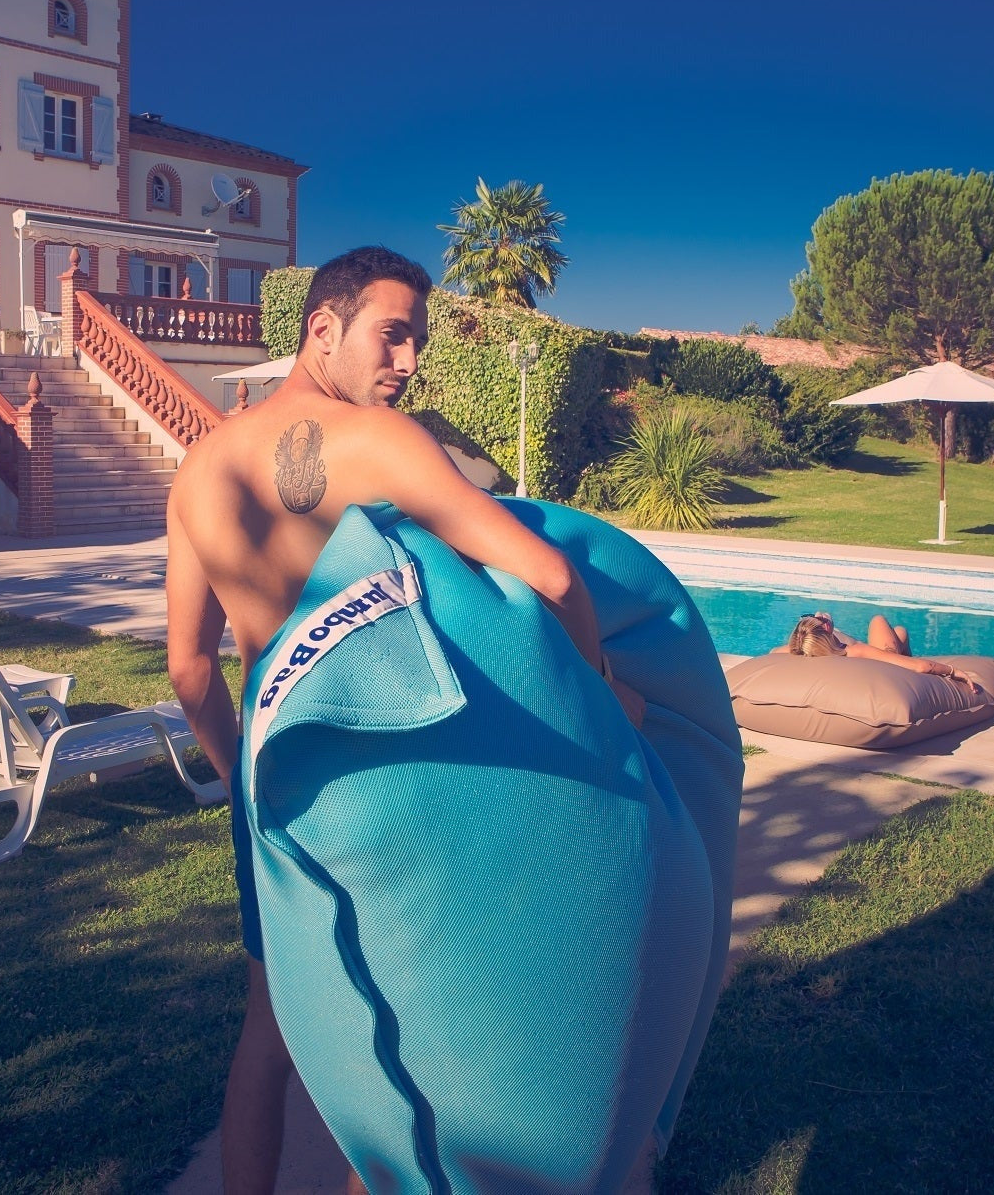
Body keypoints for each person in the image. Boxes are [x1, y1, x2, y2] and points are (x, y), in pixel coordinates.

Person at [166, 245, 642, 1195]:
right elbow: (548, 575)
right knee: (396, 1044)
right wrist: (599, 688)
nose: (408, 361)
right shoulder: (379, 444)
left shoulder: (200, 471)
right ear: (322, 329)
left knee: (271, 1036)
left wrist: (246, 783)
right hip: (396, 786)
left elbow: (187, 670)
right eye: (392, 335)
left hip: (275, 781)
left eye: (417, 342)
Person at [785, 610, 985, 692]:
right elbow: (922, 666)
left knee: (899, 632)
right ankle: (899, 646)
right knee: (881, 622)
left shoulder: (794, 650)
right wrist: (953, 671)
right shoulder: (856, 652)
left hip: (824, 640)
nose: (821, 615)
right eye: (819, 619)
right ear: (827, 629)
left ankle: (900, 642)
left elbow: (774, 652)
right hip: (890, 667)